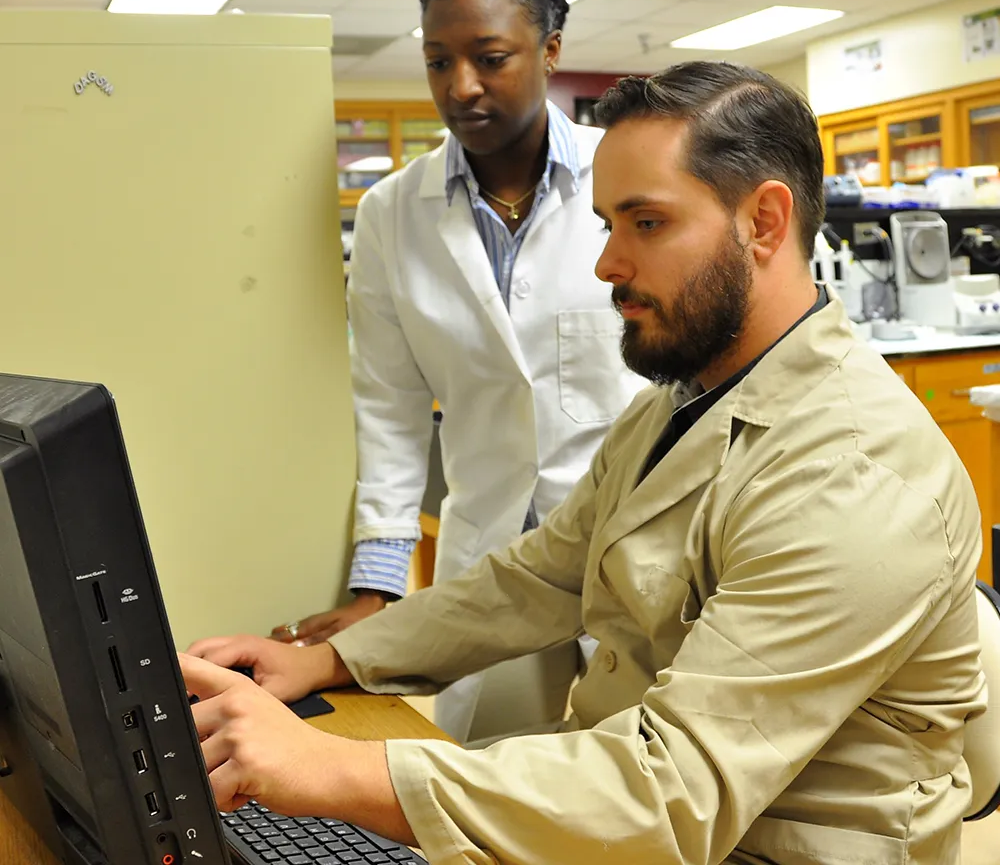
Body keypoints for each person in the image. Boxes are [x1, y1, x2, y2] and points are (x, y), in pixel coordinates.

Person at [184, 62, 986, 865]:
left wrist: (333, 768)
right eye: (608, 224)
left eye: (646, 224)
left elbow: (670, 792)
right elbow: (541, 577)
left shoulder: (853, 473)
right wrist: (327, 659)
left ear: (765, 223)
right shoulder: (675, 404)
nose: (606, 263)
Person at [269, 0, 645, 744]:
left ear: (550, 51)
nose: (460, 86)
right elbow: (390, 407)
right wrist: (381, 587)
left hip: (634, 544)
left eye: (491, 57)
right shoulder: (390, 213)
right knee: (497, 791)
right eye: (439, 61)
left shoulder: (628, 185)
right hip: (493, 558)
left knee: (645, 782)